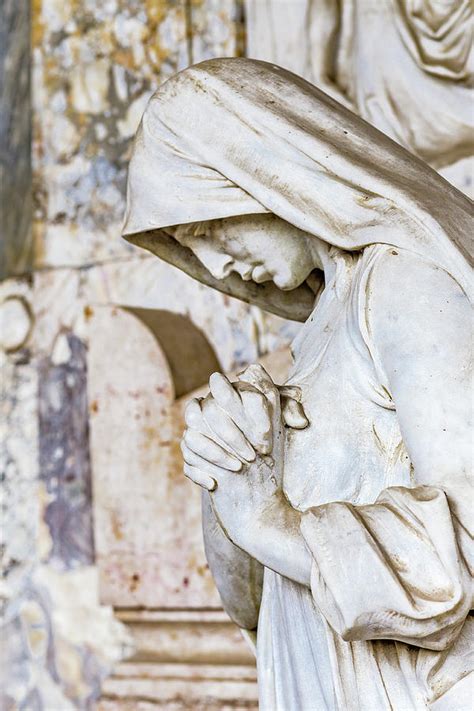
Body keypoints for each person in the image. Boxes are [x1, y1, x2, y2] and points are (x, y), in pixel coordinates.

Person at [123, 58, 473, 710]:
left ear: (268, 171)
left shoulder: (403, 286)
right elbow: (253, 603)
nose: (215, 262)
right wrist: (232, 475)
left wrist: (268, 518)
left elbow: (465, 545)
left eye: (205, 229)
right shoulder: (315, 338)